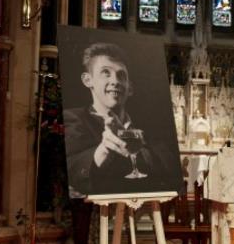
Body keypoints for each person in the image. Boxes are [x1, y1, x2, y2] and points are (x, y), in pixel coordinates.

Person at [64, 43, 175, 196]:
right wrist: (103, 150)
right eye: (106, 73)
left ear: (130, 88)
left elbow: (170, 164)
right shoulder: (73, 118)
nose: (115, 81)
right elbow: (72, 168)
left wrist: (138, 149)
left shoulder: (150, 125)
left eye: (121, 75)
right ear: (88, 80)